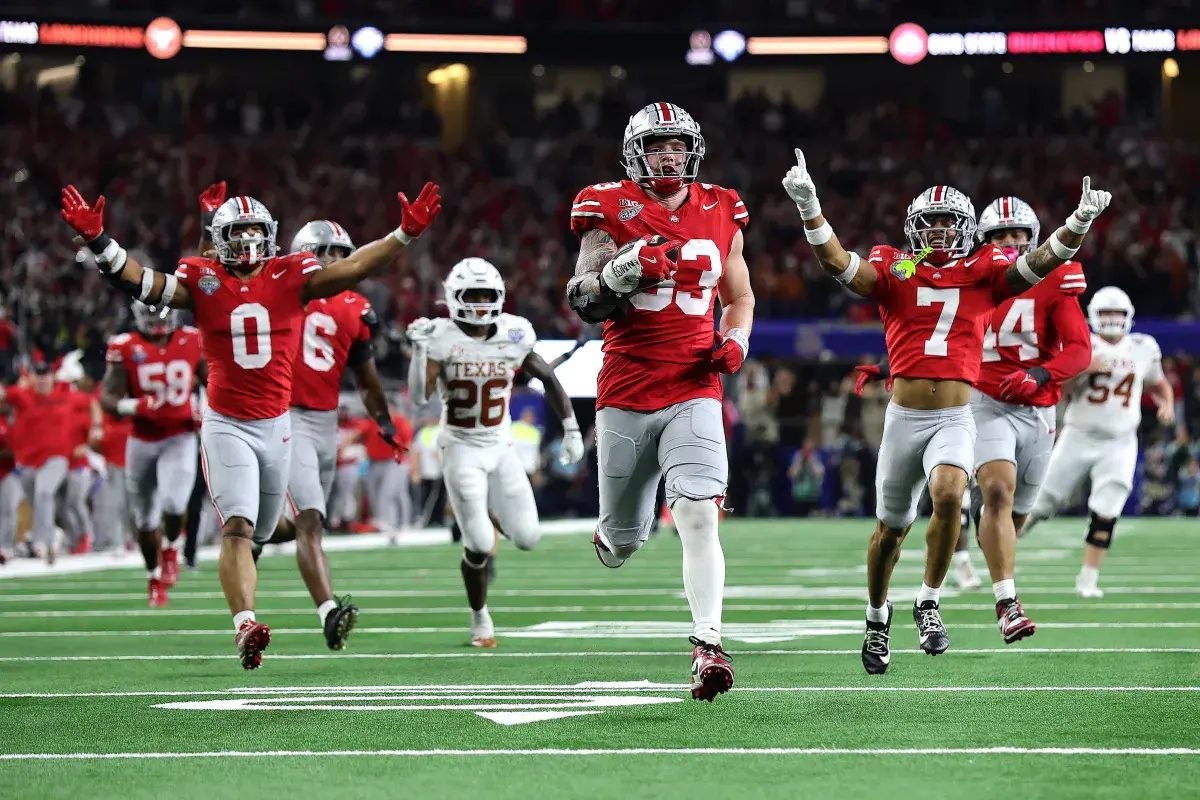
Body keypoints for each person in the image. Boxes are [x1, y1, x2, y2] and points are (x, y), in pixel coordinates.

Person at [60, 180, 441, 668]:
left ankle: (278, 564)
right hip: (226, 424)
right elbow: (142, 281)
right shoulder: (202, 278)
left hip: (278, 426)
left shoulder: (291, 273)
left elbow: (352, 268)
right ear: (219, 240)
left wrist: (404, 234)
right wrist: (99, 242)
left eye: (254, 233)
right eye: (236, 235)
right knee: (238, 526)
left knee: (263, 529)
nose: (246, 244)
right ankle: (244, 625)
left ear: (271, 235)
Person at [784, 149, 1111, 674]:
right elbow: (840, 265)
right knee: (890, 530)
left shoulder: (985, 271)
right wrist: (810, 209)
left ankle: (929, 601)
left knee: (951, 494)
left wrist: (1077, 223)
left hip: (957, 416)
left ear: (964, 229)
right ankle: (876, 614)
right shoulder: (896, 266)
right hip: (904, 417)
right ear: (914, 229)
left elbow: (1039, 263)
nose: (937, 231)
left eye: (946, 223)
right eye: (929, 223)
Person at [565, 102, 753, 701]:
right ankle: (613, 535)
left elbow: (740, 295)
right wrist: (621, 272)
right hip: (625, 389)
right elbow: (582, 295)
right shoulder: (607, 206)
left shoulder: (723, 207)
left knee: (698, 513)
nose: (669, 154)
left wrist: (737, 340)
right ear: (635, 153)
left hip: (694, 385)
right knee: (625, 539)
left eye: (677, 144)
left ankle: (708, 645)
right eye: (657, 145)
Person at [408, 257, 584, 648]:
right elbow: (420, 395)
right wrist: (420, 355)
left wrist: (571, 427)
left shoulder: (514, 332)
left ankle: (485, 517)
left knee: (528, 537)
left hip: (500, 444)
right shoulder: (440, 336)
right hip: (460, 447)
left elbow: (547, 377)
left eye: (487, 294)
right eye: (473, 294)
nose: (481, 302)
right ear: (455, 297)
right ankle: (480, 618)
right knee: (481, 544)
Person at [260, 219, 407, 650]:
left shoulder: (354, 307)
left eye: (343, 254)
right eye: (327, 254)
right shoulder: (283, 292)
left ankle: (249, 538)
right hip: (284, 416)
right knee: (310, 520)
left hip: (325, 422)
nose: (337, 263)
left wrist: (383, 422)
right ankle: (328, 613)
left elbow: (366, 377)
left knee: (305, 520)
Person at [964, 196, 1092, 643]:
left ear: (1035, 239)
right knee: (998, 491)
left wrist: (1039, 374)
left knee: (1013, 517)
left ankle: (988, 535)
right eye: (1001, 235)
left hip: (1038, 407)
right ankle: (1007, 602)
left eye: (1019, 234)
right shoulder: (973, 277)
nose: (1012, 243)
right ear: (984, 241)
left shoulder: (1056, 277)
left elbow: (1079, 349)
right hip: (984, 400)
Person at [1021, 287, 1174, 598]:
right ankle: (1001, 549)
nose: (1112, 320)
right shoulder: (1081, 345)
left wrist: (1166, 403)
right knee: (1041, 502)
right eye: (1106, 314)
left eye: (1117, 314)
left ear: (1128, 316)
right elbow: (1057, 392)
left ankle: (1088, 579)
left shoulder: (1143, 347)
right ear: (1093, 316)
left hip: (1120, 441)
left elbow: (1159, 384)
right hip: (1078, 434)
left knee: (1107, 508)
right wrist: (1081, 368)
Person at [99, 303, 204, 606]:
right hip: (142, 439)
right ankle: (153, 576)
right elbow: (107, 398)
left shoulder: (192, 339)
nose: (157, 320)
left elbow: (214, 380)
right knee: (144, 520)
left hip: (179, 435)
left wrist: (206, 411)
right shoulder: (126, 346)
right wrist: (134, 406)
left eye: (162, 313)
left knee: (174, 502)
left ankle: (171, 546)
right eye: (151, 314)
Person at [1, 361, 97, 564]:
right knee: (36, 502)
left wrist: (96, 429)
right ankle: (52, 533)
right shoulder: (22, 394)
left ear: (52, 376)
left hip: (56, 458)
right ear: (33, 377)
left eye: (46, 375)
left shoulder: (66, 394)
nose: (43, 380)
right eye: (39, 375)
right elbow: (2, 396)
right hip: (26, 462)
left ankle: (40, 543)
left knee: (44, 493)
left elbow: (91, 403)